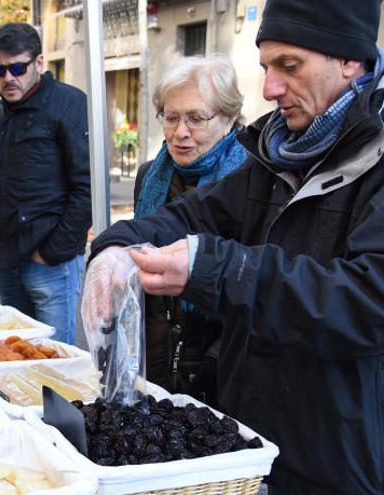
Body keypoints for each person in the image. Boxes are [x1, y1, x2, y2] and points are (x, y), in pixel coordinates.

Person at [83, 0, 384, 492]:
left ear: (351, 60)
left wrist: (216, 269)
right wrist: (116, 248)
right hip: (259, 443)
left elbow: (382, 300)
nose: (270, 88)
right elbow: (191, 214)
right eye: (266, 66)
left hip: (356, 463)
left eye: (289, 66)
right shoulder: (279, 149)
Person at [134, 54, 248, 405]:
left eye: (197, 118)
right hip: (152, 356)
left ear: (228, 118)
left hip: (218, 366)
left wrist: (214, 360)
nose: (180, 132)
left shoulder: (253, 182)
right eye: (171, 117)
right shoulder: (149, 176)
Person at [0, 23, 91, 345]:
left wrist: (52, 251)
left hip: (50, 262)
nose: (8, 78)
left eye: (17, 67)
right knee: (15, 357)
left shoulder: (69, 103)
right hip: (6, 258)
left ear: (39, 63)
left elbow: (86, 187)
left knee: (54, 359)